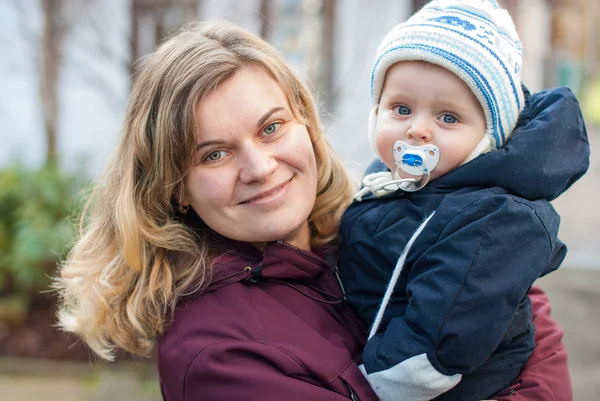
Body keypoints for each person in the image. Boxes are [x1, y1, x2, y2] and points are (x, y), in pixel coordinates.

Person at [53, 20, 580, 401]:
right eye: (214, 153)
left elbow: (523, 302)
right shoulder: (218, 355)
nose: (259, 167)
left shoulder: (362, 225)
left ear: (306, 122)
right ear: (176, 188)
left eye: (271, 127)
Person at [338, 1, 589, 400]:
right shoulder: (389, 182)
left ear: (489, 136)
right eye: (401, 108)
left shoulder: (495, 219)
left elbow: (442, 337)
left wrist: (371, 386)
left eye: (448, 118)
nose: (417, 130)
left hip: (432, 384)